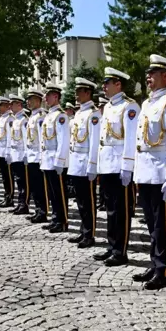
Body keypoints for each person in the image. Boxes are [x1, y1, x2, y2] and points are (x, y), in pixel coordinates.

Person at [132, 55, 166, 289]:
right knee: (151, 223)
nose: (148, 77)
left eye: (153, 73)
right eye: (148, 73)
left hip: (161, 173)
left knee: (161, 225)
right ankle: (155, 264)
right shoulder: (147, 104)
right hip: (146, 172)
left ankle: (163, 270)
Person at [95, 69, 139, 267]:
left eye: (107, 82)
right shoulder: (110, 107)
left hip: (119, 164)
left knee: (121, 211)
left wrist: (128, 166)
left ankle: (120, 251)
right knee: (110, 209)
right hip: (106, 164)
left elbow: (130, 138)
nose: (104, 86)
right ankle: (112, 246)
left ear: (118, 84)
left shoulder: (129, 107)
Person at [67, 78, 101, 248]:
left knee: (88, 201)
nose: (76, 94)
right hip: (76, 161)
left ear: (87, 93)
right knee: (80, 201)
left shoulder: (93, 114)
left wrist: (92, 164)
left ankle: (90, 234)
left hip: (86, 162)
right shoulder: (79, 113)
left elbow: (95, 142)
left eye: (79, 91)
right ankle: (83, 231)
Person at [40, 84, 70, 233]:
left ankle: (63, 221)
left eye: (48, 95)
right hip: (47, 157)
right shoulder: (49, 115)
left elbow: (63, 140)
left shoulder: (60, 116)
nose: (45, 98)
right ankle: (55, 218)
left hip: (55, 159)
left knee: (59, 192)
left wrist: (60, 161)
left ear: (56, 96)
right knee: (51, 192)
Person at [25, 89, 49, 224]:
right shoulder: (32, 116)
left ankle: (43, 212)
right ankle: (38, 210)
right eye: (28, 100)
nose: (28, 102)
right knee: (34, 186)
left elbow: (41, 139)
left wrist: (41, 157)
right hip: (31, 155)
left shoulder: (41, 116)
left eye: (31, 99)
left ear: (38, 101)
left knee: (40, 187)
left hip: (38, 156)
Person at [8, 94, 30, 215]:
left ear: (19, 105)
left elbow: (27, 139)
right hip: (15, 154)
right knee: (18, 181)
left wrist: (26, 154)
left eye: (12, 104)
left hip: (21, 155)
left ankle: (24, 204)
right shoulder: (16, 119)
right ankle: (20, 203)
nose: (10, 106)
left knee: (23, 181)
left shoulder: (24, 120)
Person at [0, 96, 15, 208]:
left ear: (7, 106)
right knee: (4, 176)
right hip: (0, 151)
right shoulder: (2, 118)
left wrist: (8, 152)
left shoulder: (10, 119)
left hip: (6, 151)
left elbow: (9, 137)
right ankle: (6, 196)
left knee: (8, 177)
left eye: (1, 105)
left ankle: (10, 197)